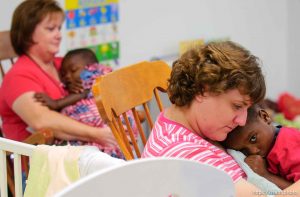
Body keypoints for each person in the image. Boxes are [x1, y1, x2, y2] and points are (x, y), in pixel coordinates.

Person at [142, 41, 300, 196]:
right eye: (237, 106)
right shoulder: (185, 156)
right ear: (203, 90)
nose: (242, 121)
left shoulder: (188, 123)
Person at [0, 0, 116, 149]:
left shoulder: (66, 65)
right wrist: (97, 134)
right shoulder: (17, 78)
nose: (59, 35)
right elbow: (42, 120)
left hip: (78, 149)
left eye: (59, 28)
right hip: (36, 162)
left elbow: (101, 81)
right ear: (28, 34)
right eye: (50, 29)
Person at [34, 48, 134, 158]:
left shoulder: (96, 76)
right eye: (63, 74)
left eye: (73, 70)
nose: (67, 76)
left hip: (108, 132)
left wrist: (56, 103)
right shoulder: (73, 87)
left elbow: (84, 93)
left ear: (90, 67)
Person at [223, 104, 300, 189]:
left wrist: (266, 175)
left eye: (253, 138)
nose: (253, 151)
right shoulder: (273, 145)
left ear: (265, 117)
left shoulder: (288, 146)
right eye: (243, 150)